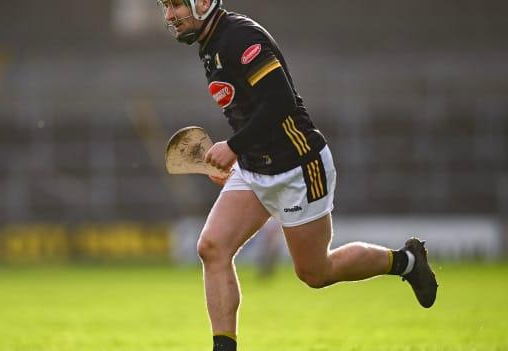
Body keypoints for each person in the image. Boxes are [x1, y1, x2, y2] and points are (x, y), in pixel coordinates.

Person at [156, 1, 439, 350]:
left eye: (176, 5)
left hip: (299, 166)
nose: (169, 15)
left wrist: (234, 145)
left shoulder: (241, 38)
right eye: (164, 6)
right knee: (212, 248)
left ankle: (407, 262)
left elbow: (280, 102)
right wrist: (238, 155)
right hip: (255, 167)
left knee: (315, 273)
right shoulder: (209, 46)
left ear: (202, 3)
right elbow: (245, 110)